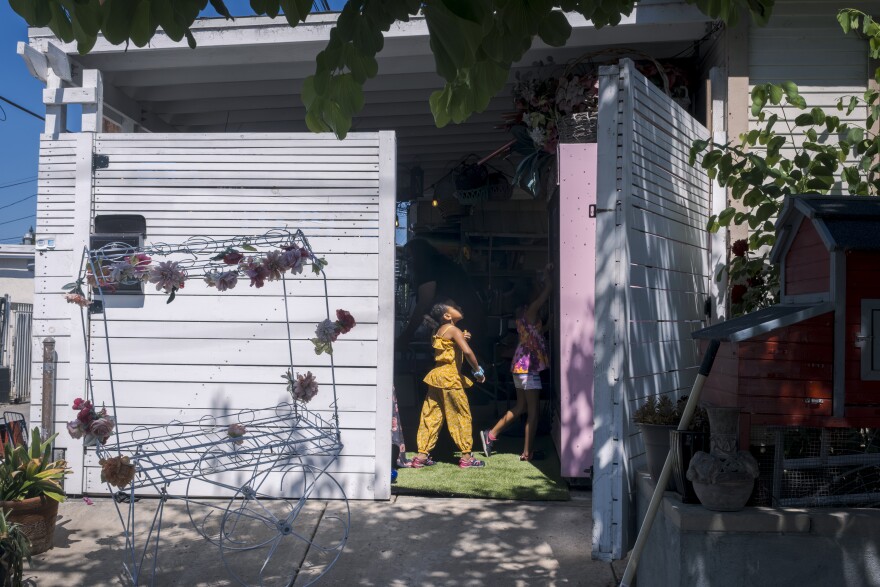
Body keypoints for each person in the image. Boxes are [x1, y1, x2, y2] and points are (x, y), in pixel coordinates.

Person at [480, 264, 553, 462]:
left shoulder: (521, 312)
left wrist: (548, 325)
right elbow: (547, 292)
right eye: (535, 288)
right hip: (529, 367)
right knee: (533, 412)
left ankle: (491, 434)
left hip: (520, 365)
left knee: (520, 407)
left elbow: (534, 334)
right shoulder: (531, 310)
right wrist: (547, 276)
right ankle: (527, 453)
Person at [412, 301, 487, 468]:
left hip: (437, 378)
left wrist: (461, 337)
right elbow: (467, 352)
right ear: (447, 316)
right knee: (460, 415)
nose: (460, 308)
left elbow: (448, 346)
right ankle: (467, 458)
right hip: (450, 379)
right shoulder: (454, 330)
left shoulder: (439, 330)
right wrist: (478, 371)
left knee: (431, 416)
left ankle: (421, 456)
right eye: (456, 307)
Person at [398, 239, 486, 358]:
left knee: (458, 359)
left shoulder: (426, 265)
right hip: (471, 317)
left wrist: (407, 335)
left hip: (463, 319)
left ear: (418, 254)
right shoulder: (440, 262)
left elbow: (424, 302)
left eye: (409, 256)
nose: (408, 262)